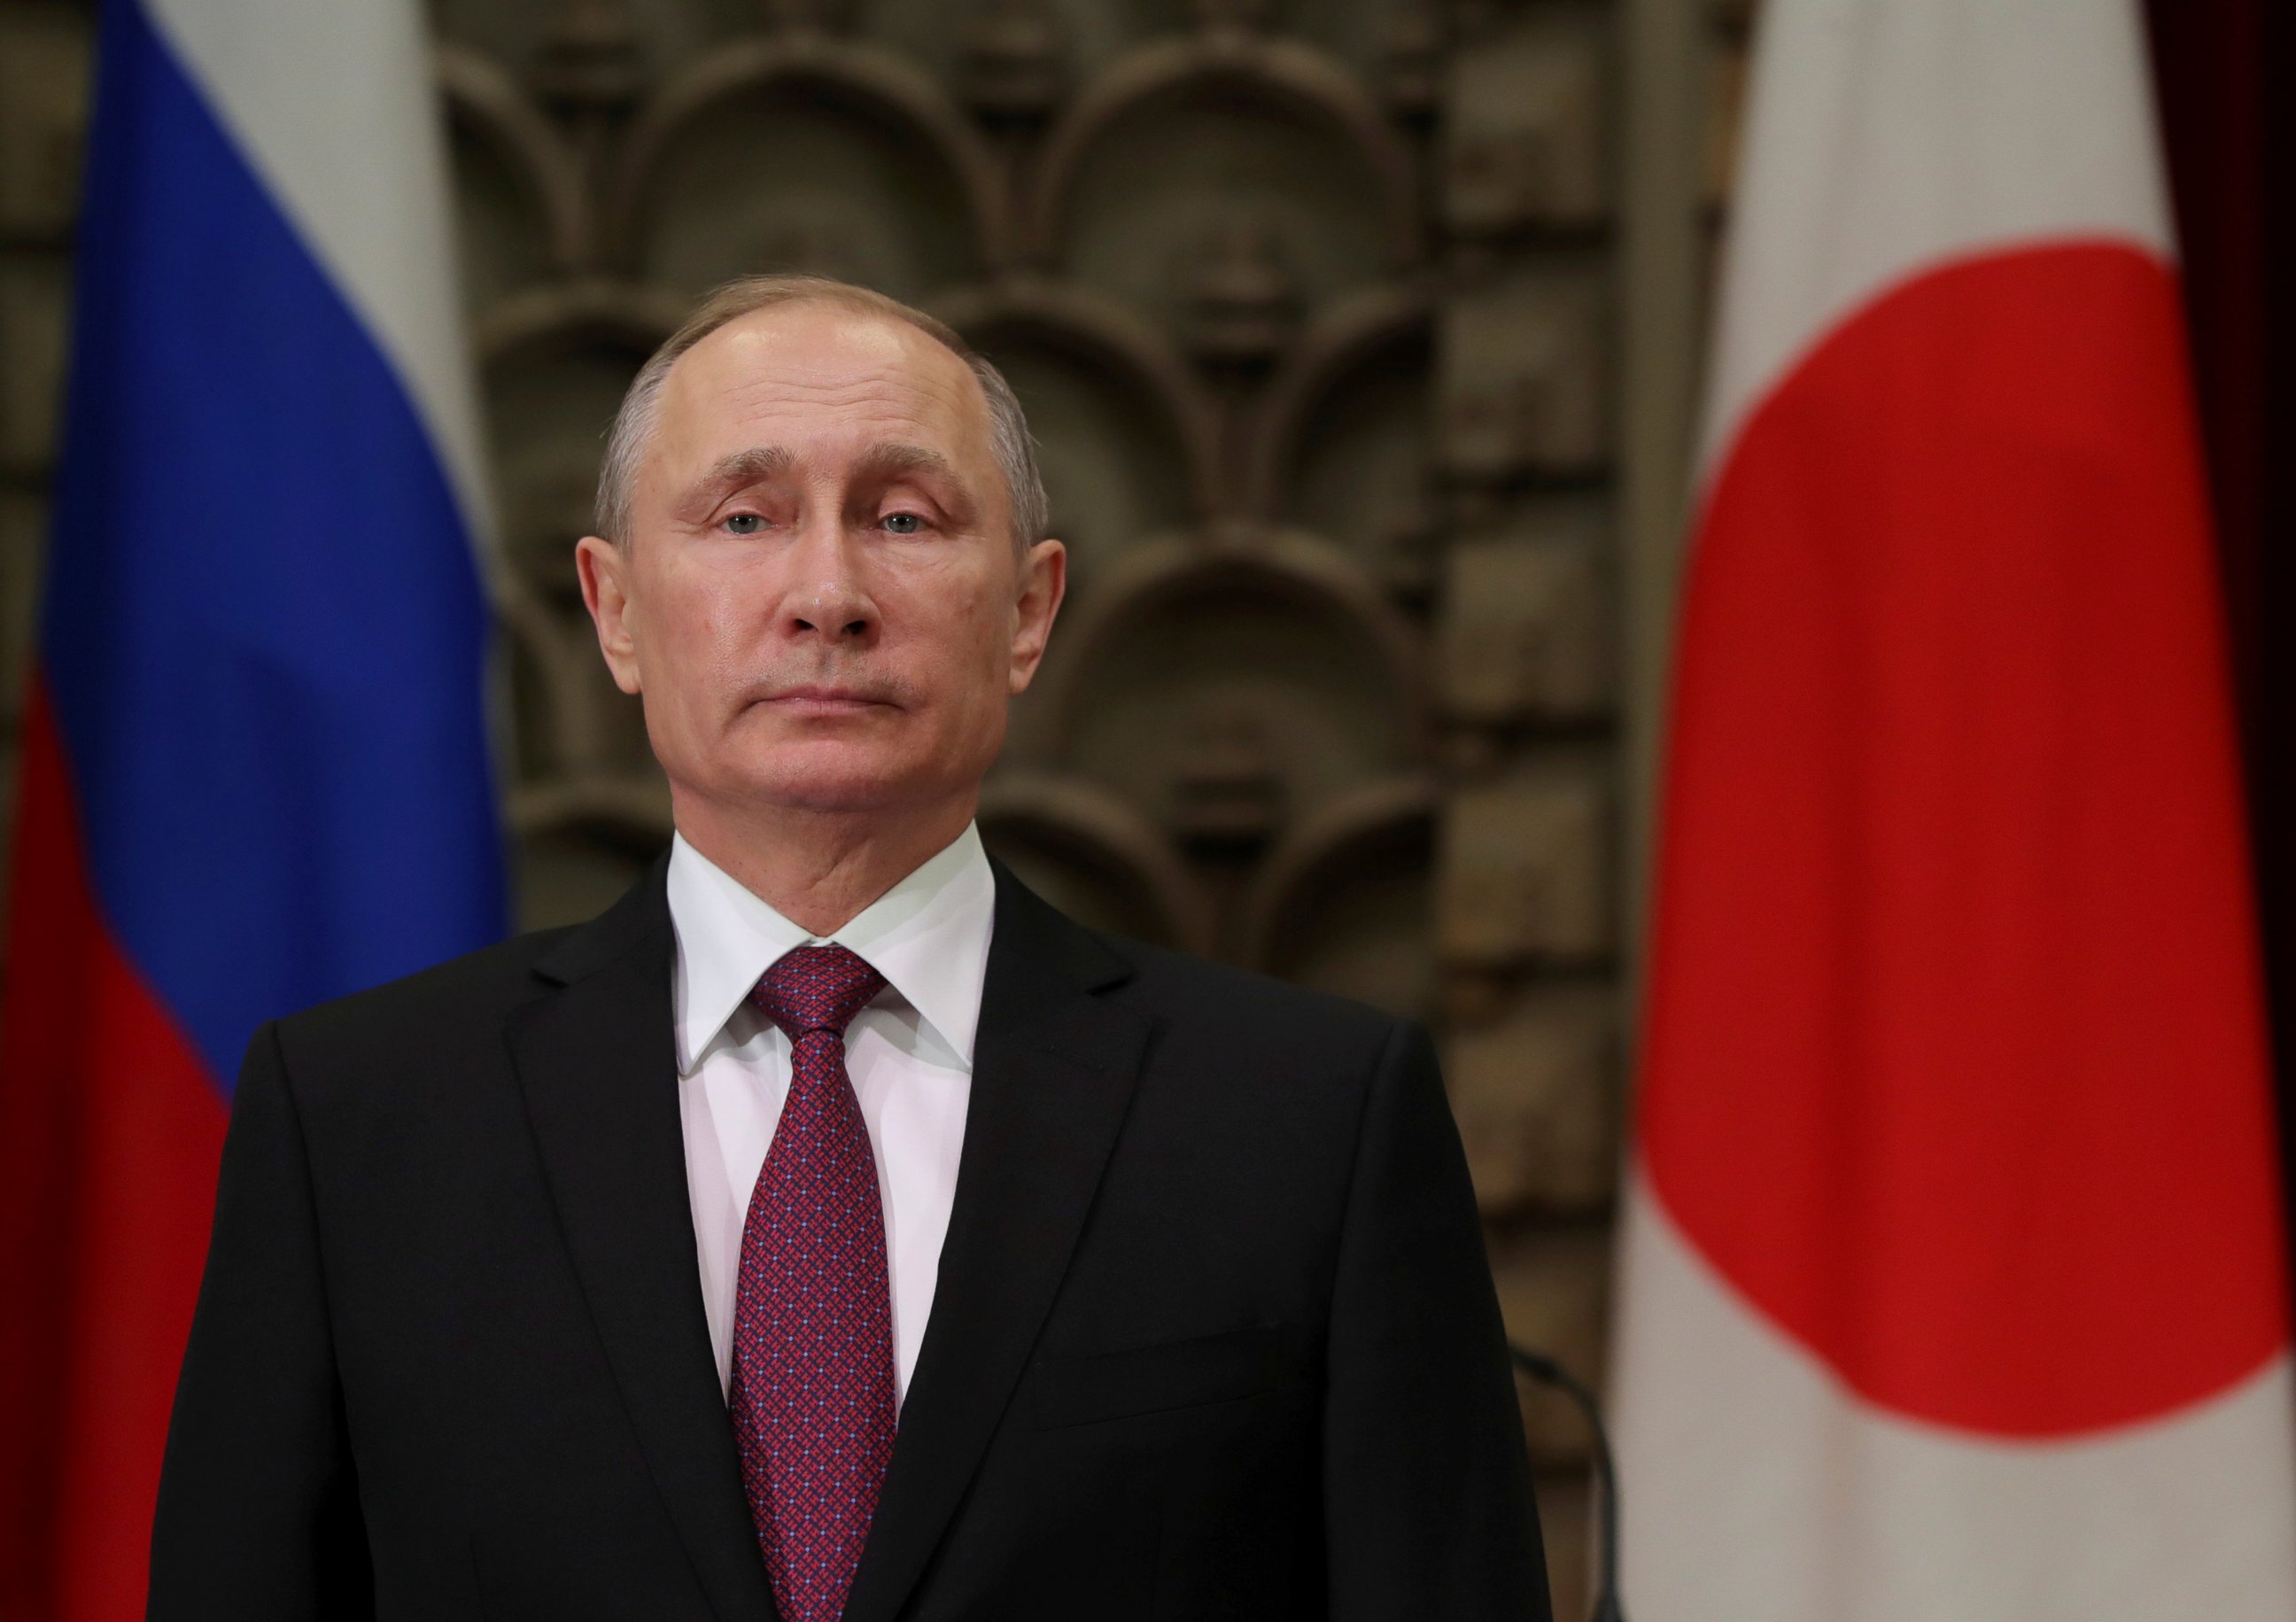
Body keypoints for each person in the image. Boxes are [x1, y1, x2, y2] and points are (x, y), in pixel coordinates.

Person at [147, 275, 1550, 1621]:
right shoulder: (357, 1125)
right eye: (747, 518)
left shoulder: (1310, 1125)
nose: (828, 592)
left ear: (1029, 610)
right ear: (617, 610)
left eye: (903, 516)